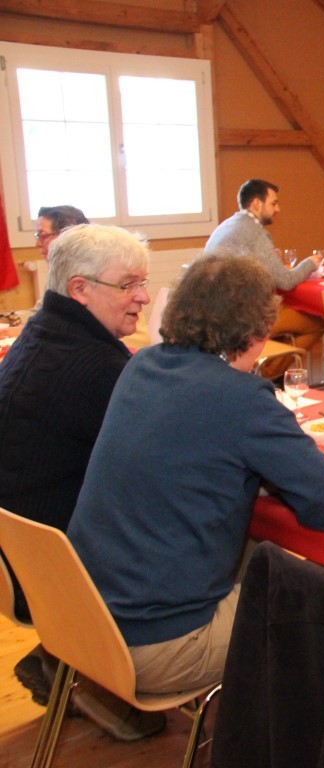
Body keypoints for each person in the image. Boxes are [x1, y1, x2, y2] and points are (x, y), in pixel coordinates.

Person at [67, 255, 324, 696]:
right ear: (258, 331)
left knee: (261, 555)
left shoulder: (141, 366)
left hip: (82, 619)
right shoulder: (242, 398)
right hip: (161, 644)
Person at [0, 224, 164, 740]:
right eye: (129, 284)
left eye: (143, 283)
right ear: (80, 289)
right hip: (66, 579)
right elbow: (164, 466)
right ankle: (104, 672)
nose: (142, 297)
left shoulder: (39, 335)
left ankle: (66, 661)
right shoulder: (97, 366)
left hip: (24, 564)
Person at [202, 178, 324, 353]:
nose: (278, 209)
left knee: (282, 321)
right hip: (241, 319)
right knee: (316, 323)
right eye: (273, 203)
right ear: (256, 204)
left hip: (214, 314)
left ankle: (262, 362)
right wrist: (310, 263)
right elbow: (286, 281)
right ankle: (269, 367)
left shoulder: (226, 226)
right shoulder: (256, 233)